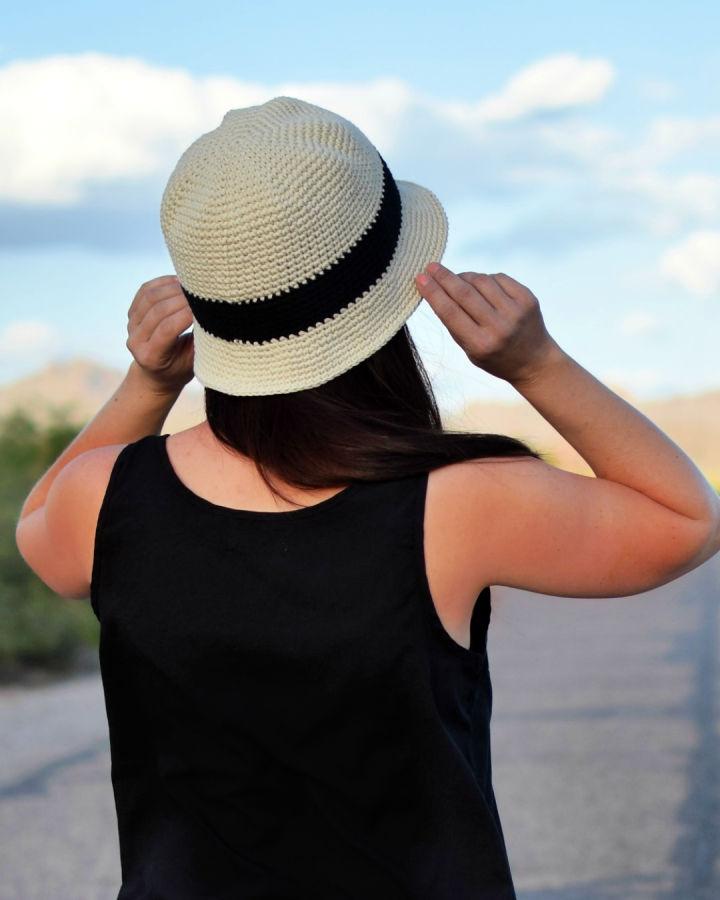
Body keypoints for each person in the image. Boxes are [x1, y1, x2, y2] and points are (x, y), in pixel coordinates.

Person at [15, 96, 720, 900]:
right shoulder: (455, 500)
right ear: (393, 299)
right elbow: (687, 518)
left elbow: (39, 527)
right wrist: (536, 364)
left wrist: (146, 384)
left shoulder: (106, 497)